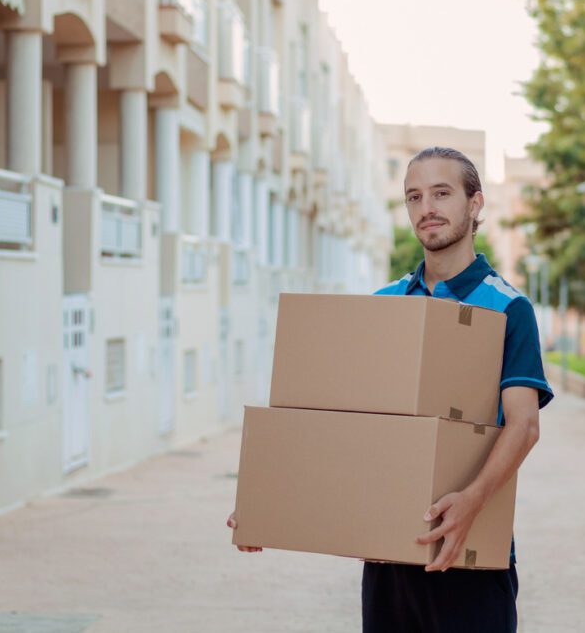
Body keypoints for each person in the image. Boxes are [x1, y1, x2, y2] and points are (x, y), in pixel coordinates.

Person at [228, 146, 553, 632]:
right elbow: (348, 423)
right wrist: (269, 501)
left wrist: (470, 502)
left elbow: (524, 426)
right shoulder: (385, 304)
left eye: (442, 194)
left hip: (470, 556)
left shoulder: (508, 307)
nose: (427, 208)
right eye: (414, 197)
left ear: (475, 204)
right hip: (388, 559)